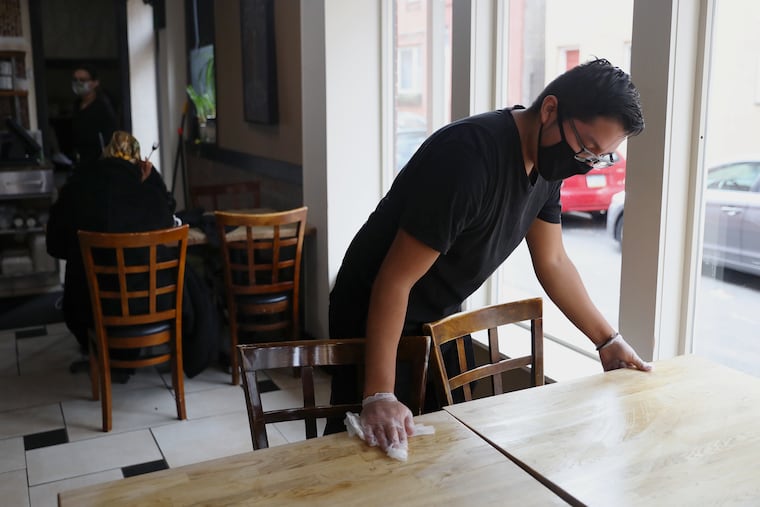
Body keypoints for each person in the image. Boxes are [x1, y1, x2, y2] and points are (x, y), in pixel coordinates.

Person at [326, 59, 653, 452]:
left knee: (431, 444)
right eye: (585, 148)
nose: (583, 164)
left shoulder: (548, 165)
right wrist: (379, 394)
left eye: (597, 158)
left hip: (436, 313)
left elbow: (553, 262)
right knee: (367, 441)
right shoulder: (469, 159)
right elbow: (395, 280)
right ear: (550, 110)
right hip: (374, 308)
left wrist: (607, 340)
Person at [46, 131, 175, 381]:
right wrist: (150, 181)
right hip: (148, 305)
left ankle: (99, 352)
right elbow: (169, 217)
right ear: (138, 161)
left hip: (90, 305)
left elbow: (56, 246)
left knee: (81, 274)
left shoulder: (78, 188)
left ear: (104, 156)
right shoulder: (147, 192)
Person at [70, 65, 118, 167]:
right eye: (75, 79)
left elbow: (109, 136)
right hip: (81, 158)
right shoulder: (77, 105)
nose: (78, 83)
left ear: (95, 83)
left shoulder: (103, 106)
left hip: (99, 161)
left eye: (82, 80)